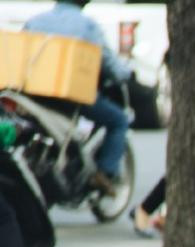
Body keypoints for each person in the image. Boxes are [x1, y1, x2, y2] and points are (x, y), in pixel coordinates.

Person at [24, 0, 132, 197]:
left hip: (33, 95)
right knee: (119, 120)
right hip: (72, 96)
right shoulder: (87, 26)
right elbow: (108, 62)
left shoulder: (35, 21)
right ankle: (105, 173)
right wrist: (126, 73)